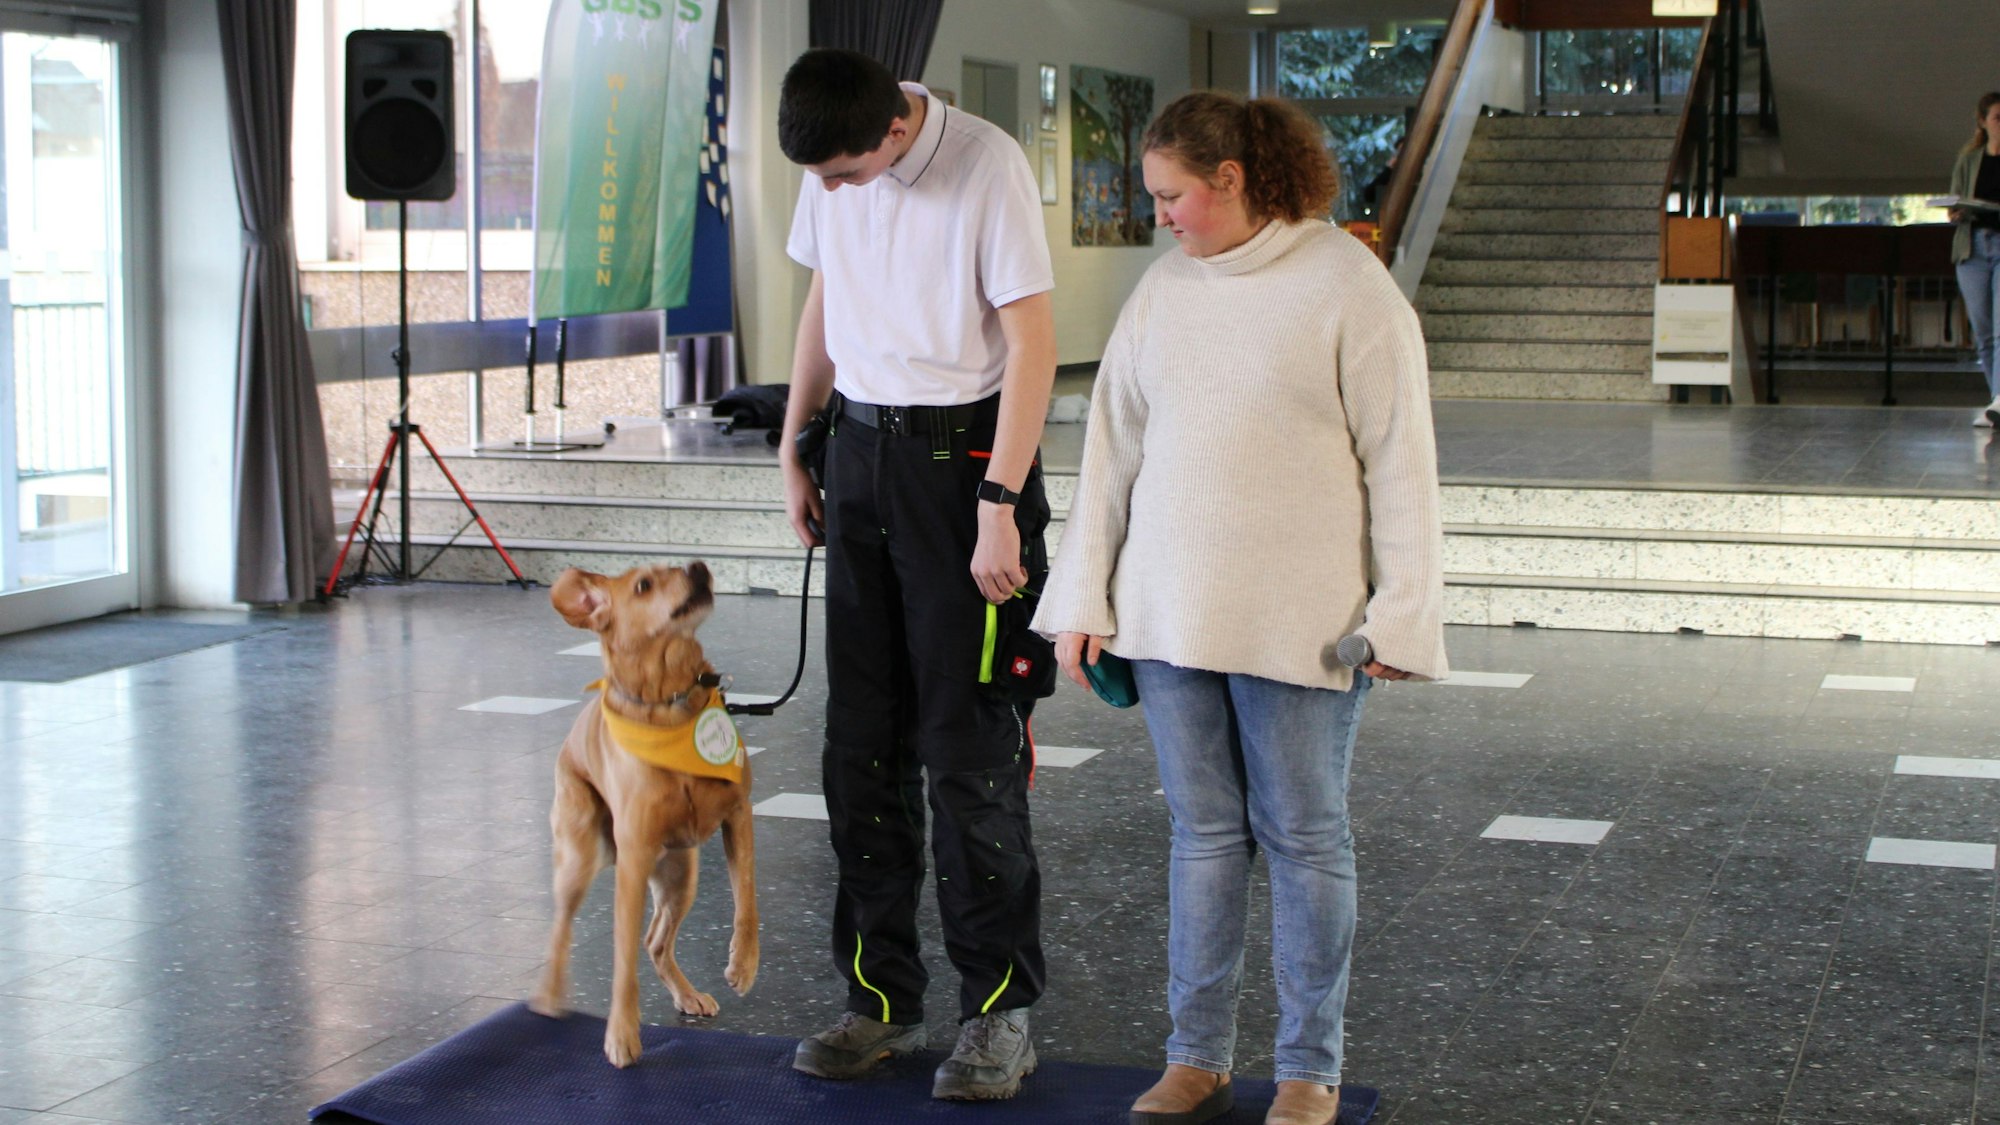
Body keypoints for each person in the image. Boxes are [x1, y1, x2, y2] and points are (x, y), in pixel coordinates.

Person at [1034, 90, 1448, 1125]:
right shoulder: (1162, 293)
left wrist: (1401, 612)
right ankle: (1196, 1054)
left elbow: (1402, 464)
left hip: (1298, 619)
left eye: (1172, 196)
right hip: (1169, 614)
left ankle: (1308, 1069)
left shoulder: (1348, 286)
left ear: (1232, 179)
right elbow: (1112, 455)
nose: (1158, 217)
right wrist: (1081, 596)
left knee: (1305, 836)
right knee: (1203, 836)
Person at [772, 47, 1057, 1102]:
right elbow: (822, 300)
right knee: (861, 750)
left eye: (845, 171)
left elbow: (1031, 341)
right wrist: (797, 441)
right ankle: (875, 1002)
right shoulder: (830, 169)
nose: (833, 191)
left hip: (963, 469)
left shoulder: (985, 165)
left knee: (967, 752)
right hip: (857, 459)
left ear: (894, 127)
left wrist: (998, 506)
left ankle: (997, 1017)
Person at [1951, 92, 2000, 427]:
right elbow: (1955, 201)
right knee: (1982, 331)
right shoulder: (1969, 159)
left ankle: (1999, 402)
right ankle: (1994, 400)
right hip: (1974, 248)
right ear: (1983, 122)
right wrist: (1956, 211)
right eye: (1998, 118)